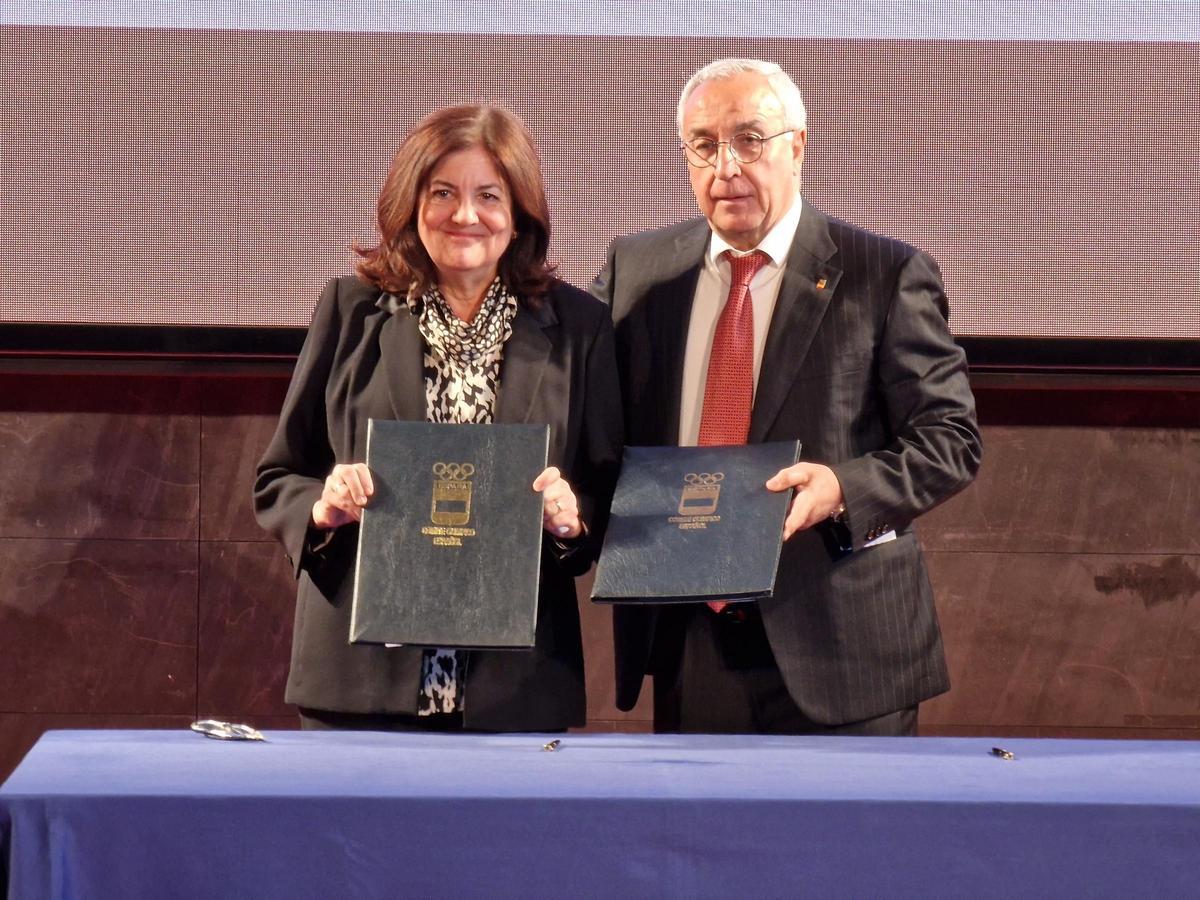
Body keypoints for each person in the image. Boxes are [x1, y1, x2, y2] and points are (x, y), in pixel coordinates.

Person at [591, 58, 982, 736]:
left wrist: (842, 488)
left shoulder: (883, 274)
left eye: (749, 140)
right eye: (703, 145)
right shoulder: (639, 270)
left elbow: (950, 440)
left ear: (797, 146)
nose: (726, 167)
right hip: (691, 638)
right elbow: (585, 414)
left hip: (846, 646)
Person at [255, 104, 622, 732]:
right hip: (358, 681)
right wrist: (323, 508)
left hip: (516, 689)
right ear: (412, 203)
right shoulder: (351, 311)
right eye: (443, 193)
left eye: (489, 195)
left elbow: (606, 491)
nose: (465, 215)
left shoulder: (578, 328)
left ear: (520, 213)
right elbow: (279, 476)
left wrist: (571, 518)